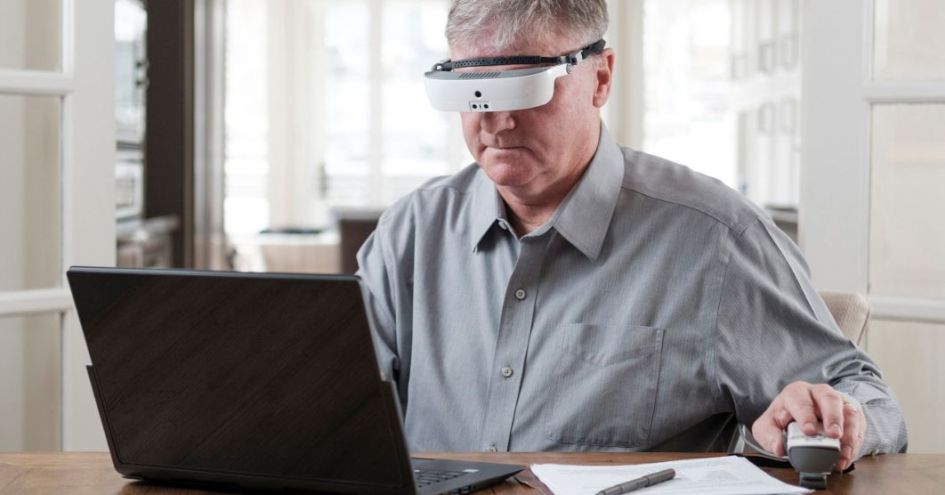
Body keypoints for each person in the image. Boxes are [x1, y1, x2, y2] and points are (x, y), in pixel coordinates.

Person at [356, 0, 907, 470]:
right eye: (471, 91)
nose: (496, 121)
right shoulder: (409, 234)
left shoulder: (718, 242)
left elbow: (867, 396)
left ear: (600, 78)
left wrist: (829, 416)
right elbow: (338, 411)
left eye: (524, 87)